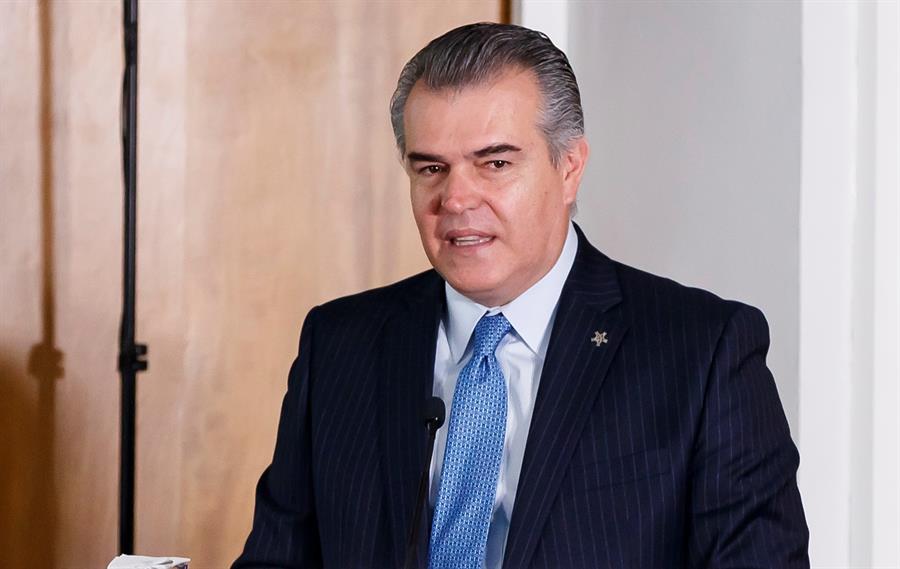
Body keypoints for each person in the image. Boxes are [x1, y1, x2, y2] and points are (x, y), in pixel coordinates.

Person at [233, 22, 809, 569]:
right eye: (431, 168)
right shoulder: (339, 344)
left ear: (569, 168)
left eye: (495, 163)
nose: (456, 199)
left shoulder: (703, 352)